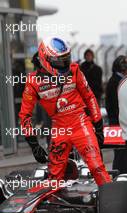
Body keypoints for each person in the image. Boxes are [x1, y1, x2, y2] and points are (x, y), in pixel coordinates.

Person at [19, 37, 112, 186]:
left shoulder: (74, 70)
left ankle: (113, 201)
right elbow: (25, 116)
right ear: (46, 58)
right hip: (59, 129)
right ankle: (53, 208)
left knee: (97, 167)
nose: (64, 64)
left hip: (81, 124)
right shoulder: (33, 81)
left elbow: (90, 97)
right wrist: (33, 144)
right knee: (54, 176)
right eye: (59, 61)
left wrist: (98, 126)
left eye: (65, 59)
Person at [105, 55, 127, 173]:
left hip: (119, 121)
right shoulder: (116, 82)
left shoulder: (118, 81)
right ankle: (119, 174)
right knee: (120, 151)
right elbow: (115, 105)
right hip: (118, 122)